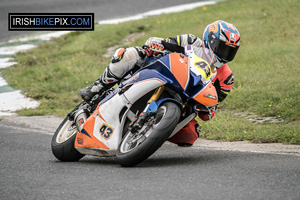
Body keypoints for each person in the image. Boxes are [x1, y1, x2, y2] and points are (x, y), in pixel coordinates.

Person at [80, 20, 240, 147]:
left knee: (191, 134)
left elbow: (213, 105)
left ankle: (149, 135)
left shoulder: (226, 78)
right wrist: (155, 47)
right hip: (163, 73)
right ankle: (98, 87)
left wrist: (208, 109)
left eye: (230, 51)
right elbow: (165, 44)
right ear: (210, 40)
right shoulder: (191, 41)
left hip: (185, 100)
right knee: (130, 54)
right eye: (222, 48)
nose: (224, 54)